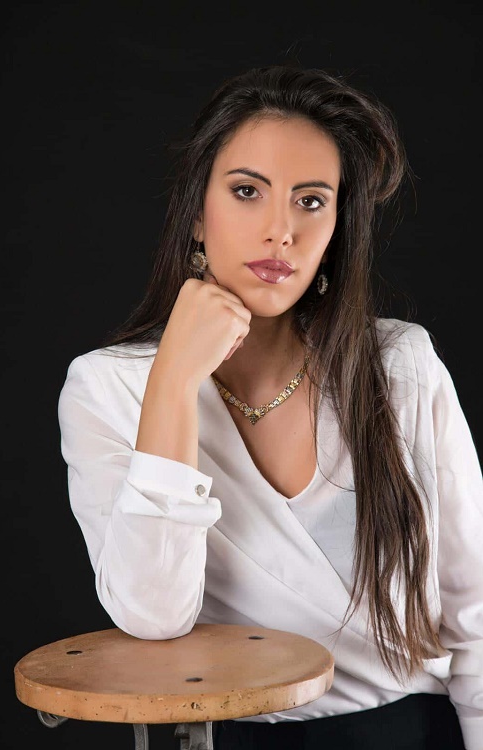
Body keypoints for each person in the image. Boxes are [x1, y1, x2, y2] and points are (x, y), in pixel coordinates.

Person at [57, 64, 482, 749]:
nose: (281, 231)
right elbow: (152, 614)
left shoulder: (399, 365)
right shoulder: (107, 388)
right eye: (247, 191)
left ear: (338, 226)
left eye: (311, 200)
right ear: (198, 214)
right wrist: (173, 382)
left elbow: (475, 611)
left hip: (409, 731)